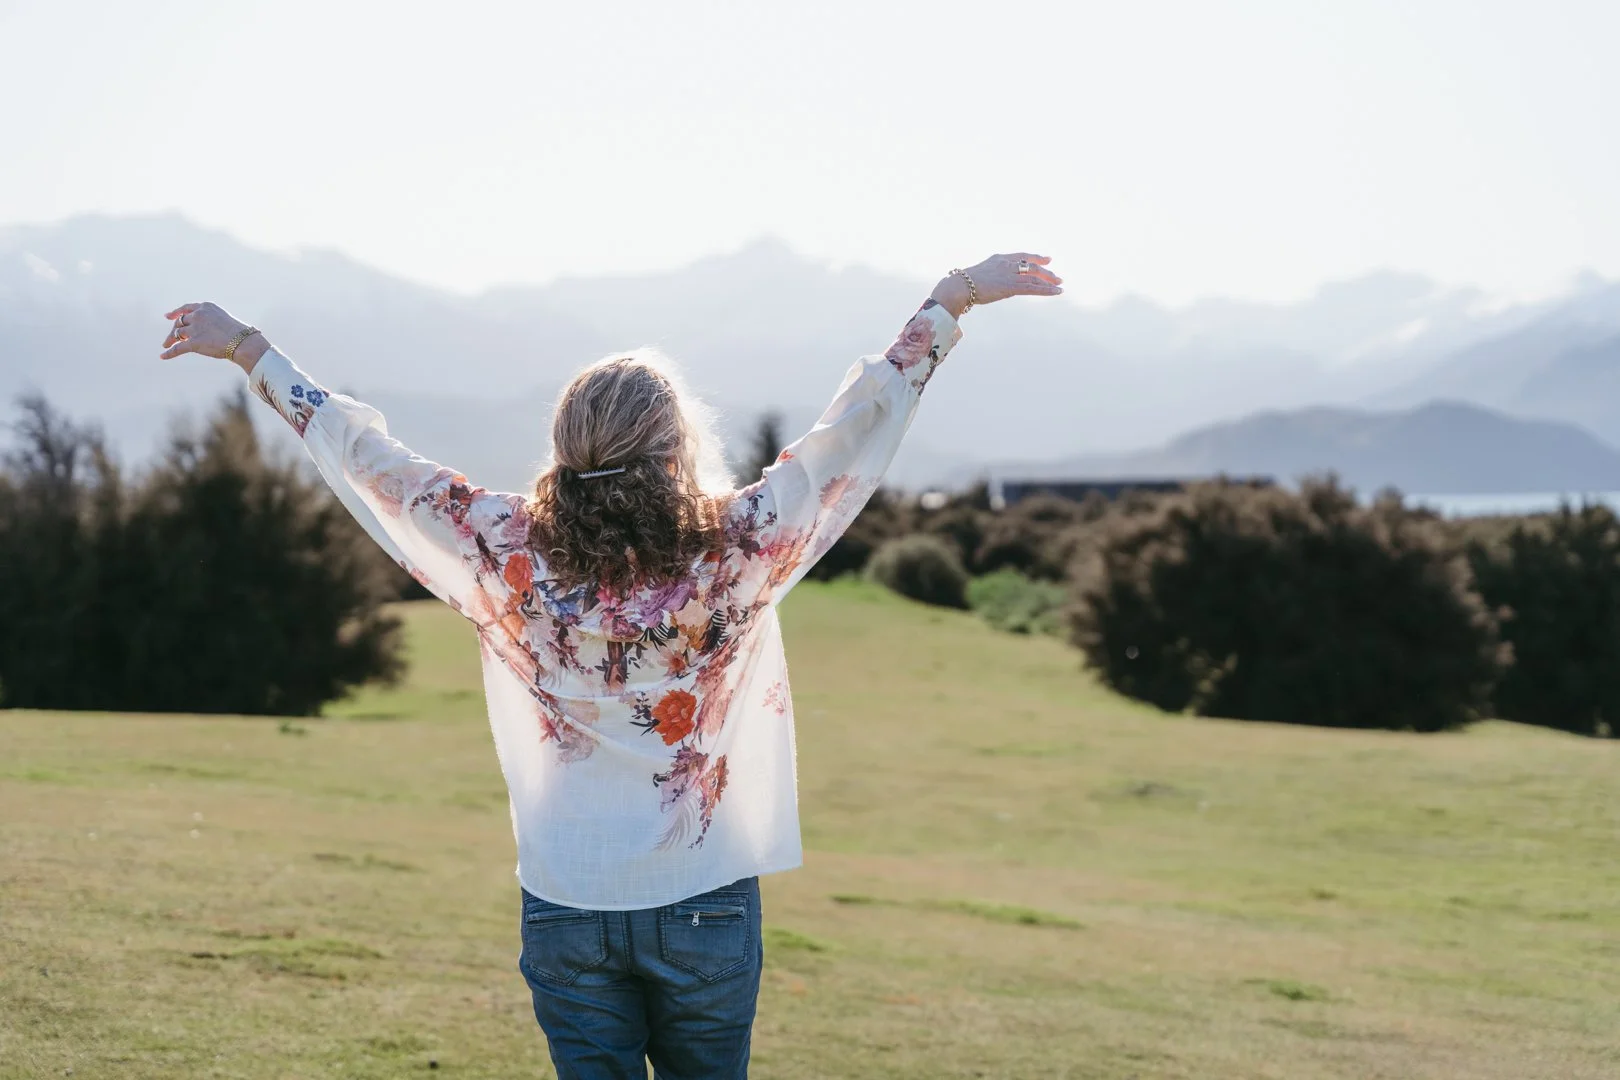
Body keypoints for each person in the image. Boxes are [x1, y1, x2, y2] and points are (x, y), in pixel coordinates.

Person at [159, 251, 1063, 1079]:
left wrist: (247, 349)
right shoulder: (735, 545)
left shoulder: (503, 546)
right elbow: (853, 430)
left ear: (566, 446)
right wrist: (952, 302)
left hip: (567, 895)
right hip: (704, 891)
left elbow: (366, 460)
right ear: (676, 451)